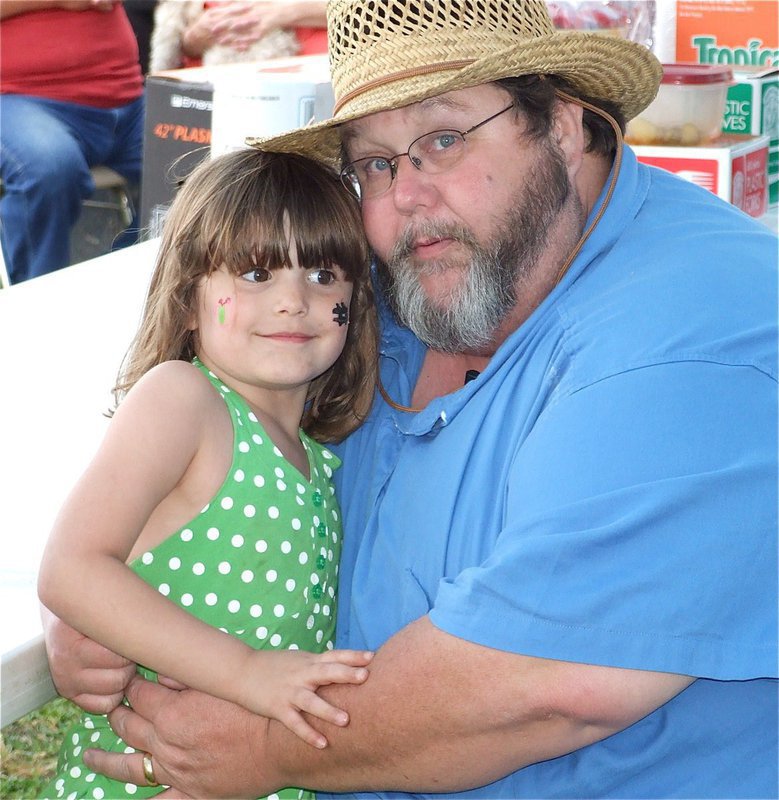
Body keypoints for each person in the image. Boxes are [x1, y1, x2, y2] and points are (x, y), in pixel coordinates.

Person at [43, 0, 778, 798]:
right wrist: (100, 604)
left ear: (562, 127)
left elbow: (548, 686)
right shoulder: (399, 280)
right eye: (375, 164)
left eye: (441, 139)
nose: (406, 196)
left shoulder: (693, 329)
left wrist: (264, 753)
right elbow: (161, 458)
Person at [37, 147, 378, 800]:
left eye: (323, 273)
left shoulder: (319, 458)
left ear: (355, 303)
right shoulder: (183, 400)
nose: (292, 301)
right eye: (254, 273)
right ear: (189, 299)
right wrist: (248, 673)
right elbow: (72, 567)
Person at [0, 0, 145, 284]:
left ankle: (128, 282)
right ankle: (35, 308)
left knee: (203, 145)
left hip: (126, 93)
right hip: (18, 97)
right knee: (49, 168)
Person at [149, 1, 327, 72]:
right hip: (210, 90)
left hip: (313, 73)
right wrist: (195, 37)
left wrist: (285, 13)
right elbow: (179, 38)